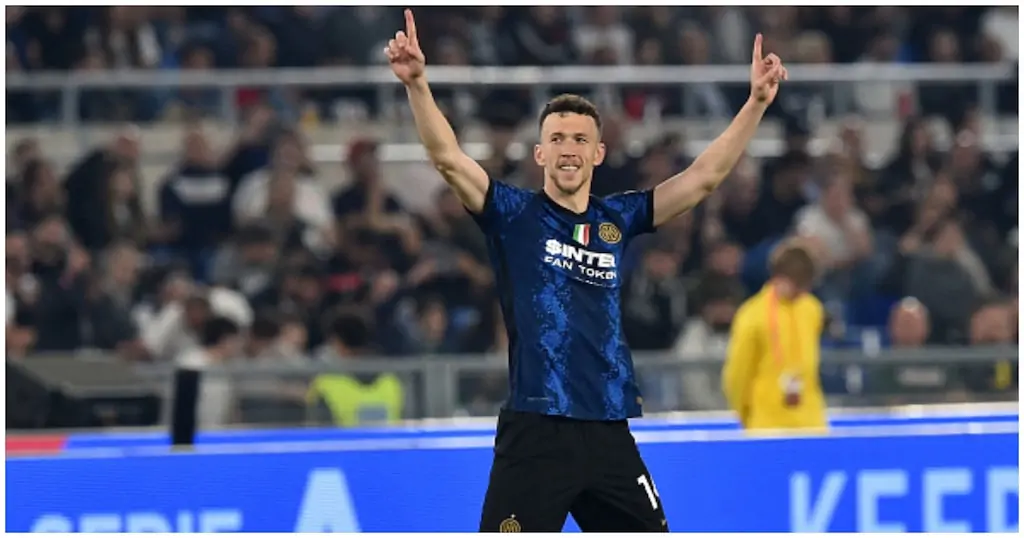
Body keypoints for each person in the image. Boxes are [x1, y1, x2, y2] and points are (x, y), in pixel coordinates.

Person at [385, 9, 788, 532]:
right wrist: (417, 84)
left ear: (598, 153)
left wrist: (755, 104)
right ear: (540, 153)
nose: (568, 149)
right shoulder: (513, 215)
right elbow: (448, 158)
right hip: (536, 430)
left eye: (579, 139)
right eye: (557, 139)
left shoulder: (617, 219)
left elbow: (703, 178)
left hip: (607, 430)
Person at [721, 240, 828, 432]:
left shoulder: (812, 309)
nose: (802, 293)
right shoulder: (752, 315)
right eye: (798, 286)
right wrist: (745, 415)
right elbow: (737, 375)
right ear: (779, 277)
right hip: (767, 426)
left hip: (812, 424)